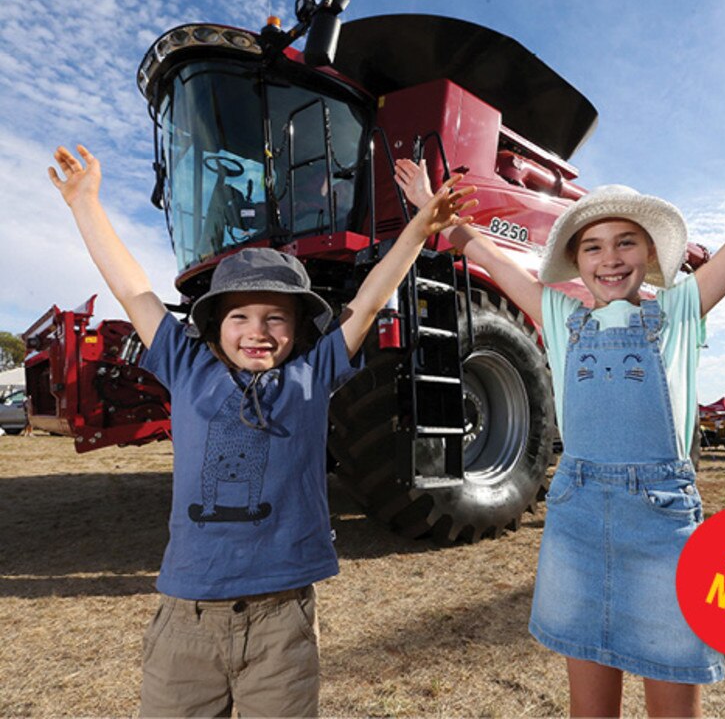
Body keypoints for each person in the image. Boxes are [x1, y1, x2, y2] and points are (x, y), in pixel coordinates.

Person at [397, 92, 725, 716]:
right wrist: (431, 212)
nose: (610, 258)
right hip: (576, 522)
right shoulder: (558, 313)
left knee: (671, 699)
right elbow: (481, 250)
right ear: (575, 261)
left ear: (651, 256)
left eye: (626, 243)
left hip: (664, 525)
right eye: (593, 247)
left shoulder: (681, 309)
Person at [48, 144, 476, 717]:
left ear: (297, 330)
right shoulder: (185, 365)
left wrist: (420, 227)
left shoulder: (311, 376)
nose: (258, 330)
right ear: (214, 327)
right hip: (186, 623)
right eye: (240, 317)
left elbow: (371, 299)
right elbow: (133, 290)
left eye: (276, 317)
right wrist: (86, 205)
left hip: (282, 623)